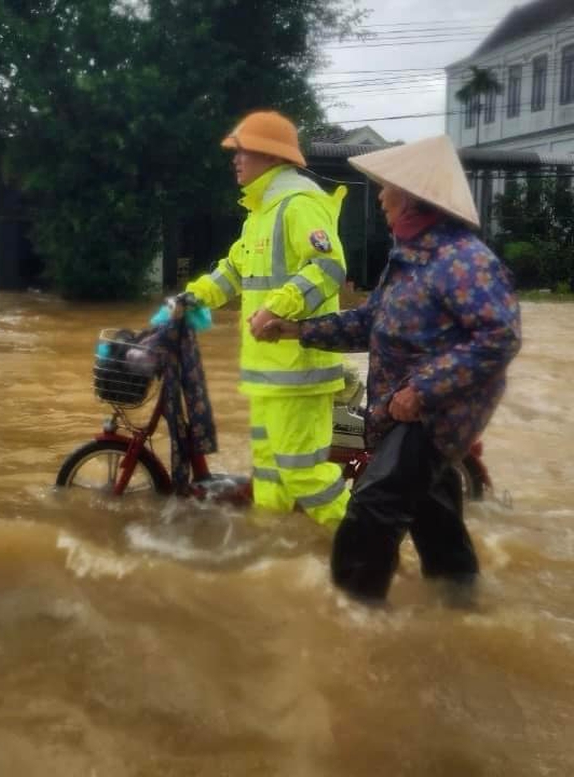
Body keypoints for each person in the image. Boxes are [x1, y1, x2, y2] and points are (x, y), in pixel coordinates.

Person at [256, 134, 521, 602]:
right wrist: (295, 330)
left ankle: (354, 625)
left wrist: (423, 391)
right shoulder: (407, 261)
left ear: (414, 198)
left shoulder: (464, 262)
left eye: (387, 187)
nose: (379, 196)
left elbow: (499, 338)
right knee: (435, 520)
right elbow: (368, 323)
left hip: (433, 415)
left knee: (371, 513)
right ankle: (460, 611)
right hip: (403, 409)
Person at [185, 109, 350, 526]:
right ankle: (275, 551)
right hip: (267, 375)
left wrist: (278, 306)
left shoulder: (300, 205)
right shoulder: (260, 214)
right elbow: (233, 272)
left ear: (272, 157)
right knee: (269, 474)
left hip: (299, 371)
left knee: (304, 473)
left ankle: (368, 549)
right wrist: (189, 301)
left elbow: (329, 268)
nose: (235, 160)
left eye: (243, 152)